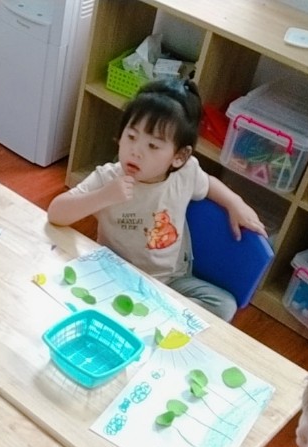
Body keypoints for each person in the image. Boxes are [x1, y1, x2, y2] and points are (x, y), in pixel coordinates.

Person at [47, 78, 266, 321]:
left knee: (224, 305)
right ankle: (151, 314)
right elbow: (56, 212)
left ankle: (152, 311)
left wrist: (235, 203)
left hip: (171, 280)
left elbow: (208, 184)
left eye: (153, 146)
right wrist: (103, 196)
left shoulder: (186, 173)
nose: (136, 151)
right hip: (116, 273)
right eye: (131, 136)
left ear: (179, 157)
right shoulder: (109, 177)